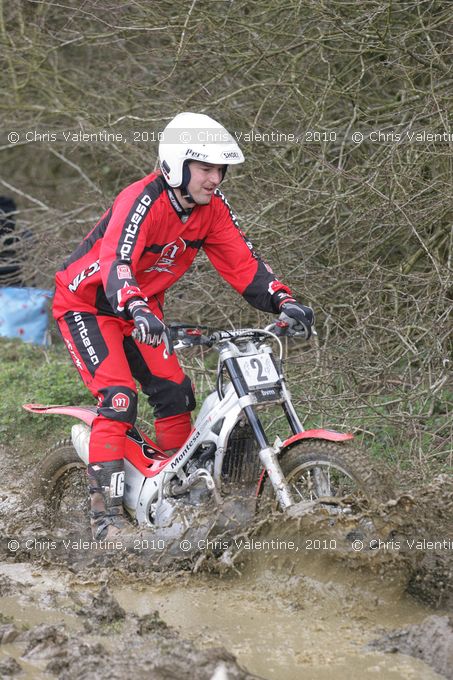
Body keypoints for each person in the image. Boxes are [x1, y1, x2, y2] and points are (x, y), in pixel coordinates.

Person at [53, 112, 314, 540]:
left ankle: (171, 498)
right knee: (119, 398)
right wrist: (136, 307)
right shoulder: (140, 201)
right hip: (88, 305)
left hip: (142, 308)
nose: (216, 179)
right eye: (206, 169)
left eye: (220, 170)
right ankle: (106, 520)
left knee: (177, 394)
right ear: (177, 164)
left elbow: (244, 264)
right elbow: (114, 262)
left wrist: (284, 300)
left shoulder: (211, 210)